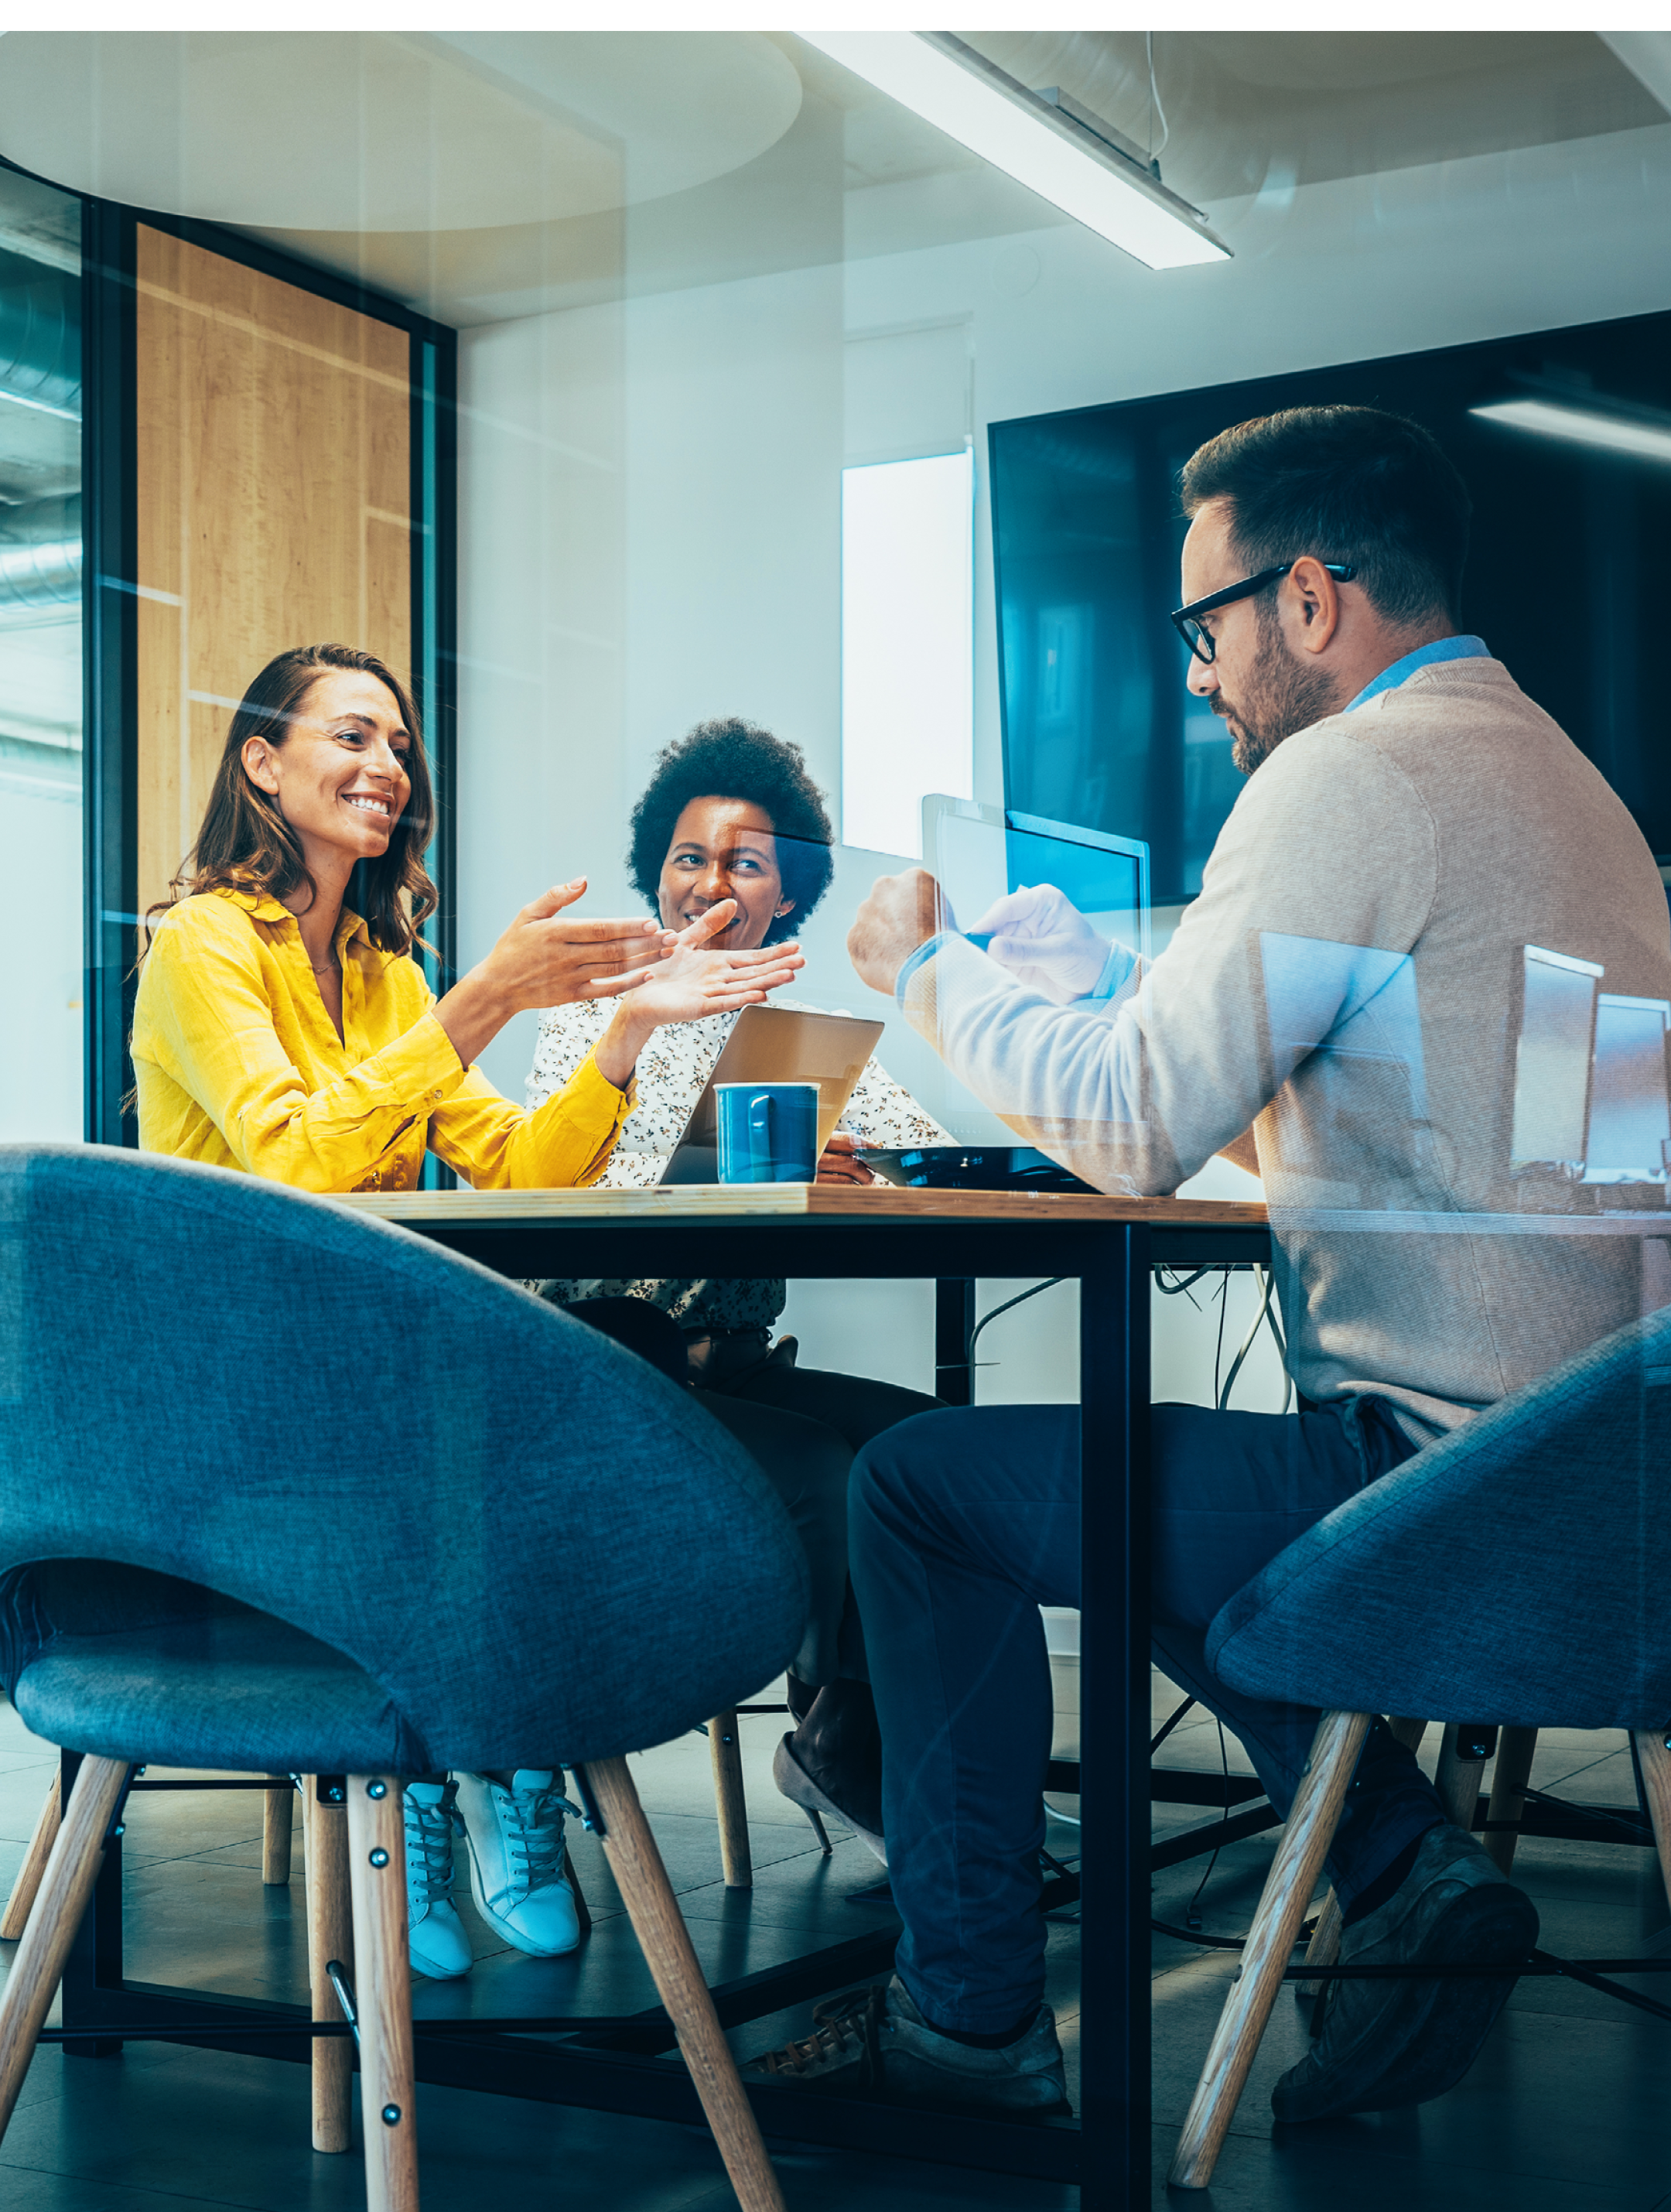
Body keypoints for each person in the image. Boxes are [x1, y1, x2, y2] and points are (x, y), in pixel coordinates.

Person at [751, 405, 1671, 2118]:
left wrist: (934, 964)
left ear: (1309, 598)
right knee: (1147, 1480)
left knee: (921, 1488)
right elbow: (1526, 1138)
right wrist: (1135, 1019)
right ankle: (1396, 1864)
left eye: (1207, 628)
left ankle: (962, 2031)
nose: (1197, 678)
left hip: (1445, 1496)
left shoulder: (1352, 775)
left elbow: (1122, 1134)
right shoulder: (1564, 786)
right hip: (1615, 1495)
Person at [131, 644, 802, 1984]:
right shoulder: (202, 941)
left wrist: (619, 1036)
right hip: (242, 1382)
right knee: (534, 1398)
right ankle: (472, 1755)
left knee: (597, 1363)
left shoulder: (385, 969)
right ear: (261, 763)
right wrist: (489, 995)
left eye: (400, 748)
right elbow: (291, 1162)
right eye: (354, 738)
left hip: (372, 1360)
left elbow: (521, 1166)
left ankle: (476, 1756)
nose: (388, 768)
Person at [524, 718, 956, 1849]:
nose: (711, 881)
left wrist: (862, 1163)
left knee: (934, 1451)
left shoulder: (801, 1038)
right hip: (604, 1371)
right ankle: (842, 1744)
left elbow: (917, 1170)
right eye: (688, 856)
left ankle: (870, 1749)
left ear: (784, 899)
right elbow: (572, 1186)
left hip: (740, 1371)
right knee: (826, 1471)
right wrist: (749, 1152)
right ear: (654, 875)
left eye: (745, 862)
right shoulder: (591, 1014)